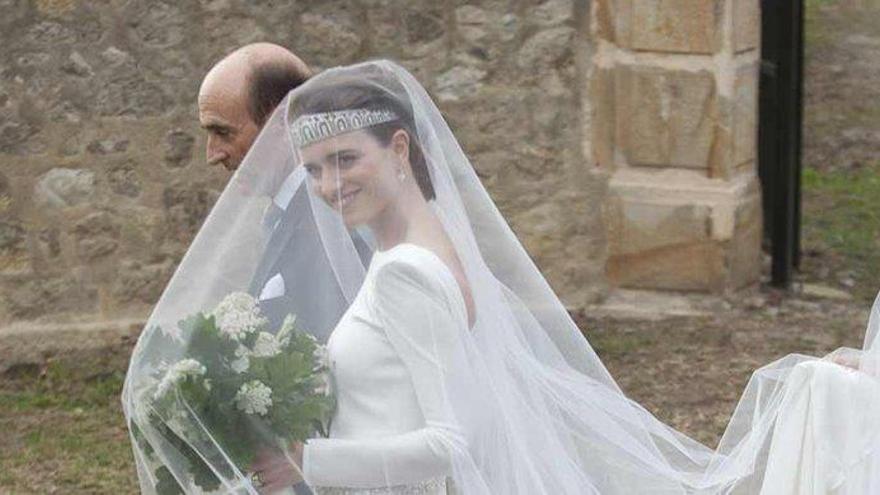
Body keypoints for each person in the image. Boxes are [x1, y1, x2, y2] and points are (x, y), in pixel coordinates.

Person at [124, 61, 880, 494]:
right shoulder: (427, 247)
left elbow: (452, 442)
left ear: (399, 150)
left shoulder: (404, 274)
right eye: (316, 167)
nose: (328, 186)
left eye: (345, 160)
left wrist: (303, 463)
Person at [197, 43, 369, 340]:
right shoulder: (288, 213)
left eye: (223, 132)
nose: (212, 155)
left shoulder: (335, 221)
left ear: (284, 122)